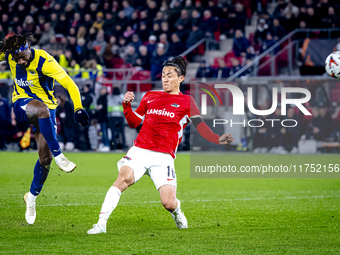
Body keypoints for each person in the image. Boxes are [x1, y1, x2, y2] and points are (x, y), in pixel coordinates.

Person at [87, 56, 234, 234]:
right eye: (163, 75)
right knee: (122, 179)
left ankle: (177, 211)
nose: (165, 78)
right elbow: (134, 123)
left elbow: (201, 126)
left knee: (168, 203)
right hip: (140, 150)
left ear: (181, 78)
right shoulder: (150, 96)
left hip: (163, 156)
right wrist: (126, 106)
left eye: (170, 75)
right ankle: (101, 224)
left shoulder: (187, 102)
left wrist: (217, 139)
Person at [0, 33, 90, 225]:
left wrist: (78, 107)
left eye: (22, 56)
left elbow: (69, 83)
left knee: (44, 158)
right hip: (23, 104)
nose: (20, 61)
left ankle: (31, 197)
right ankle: (60, 155)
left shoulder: (46, 61)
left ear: (28, 47)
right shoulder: (10, 55)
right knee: (41, 110)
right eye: (17, 59)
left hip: (48, 111)